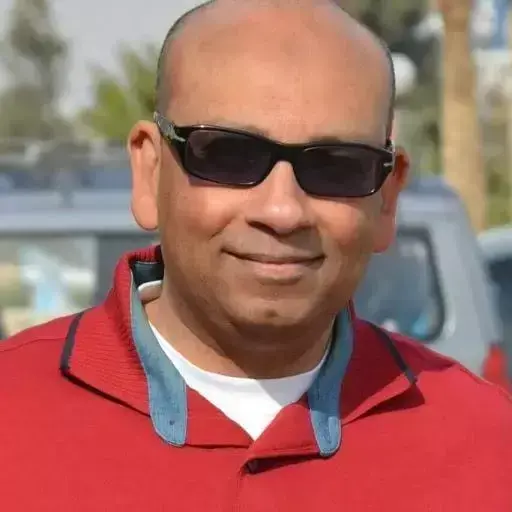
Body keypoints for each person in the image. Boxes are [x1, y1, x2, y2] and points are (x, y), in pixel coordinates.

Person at [1, 1, 511, 510]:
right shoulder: (14, 416)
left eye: (336, 165)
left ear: (387, 199)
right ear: (150, 172)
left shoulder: (489, 447)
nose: (282, 211)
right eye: (229, 155)